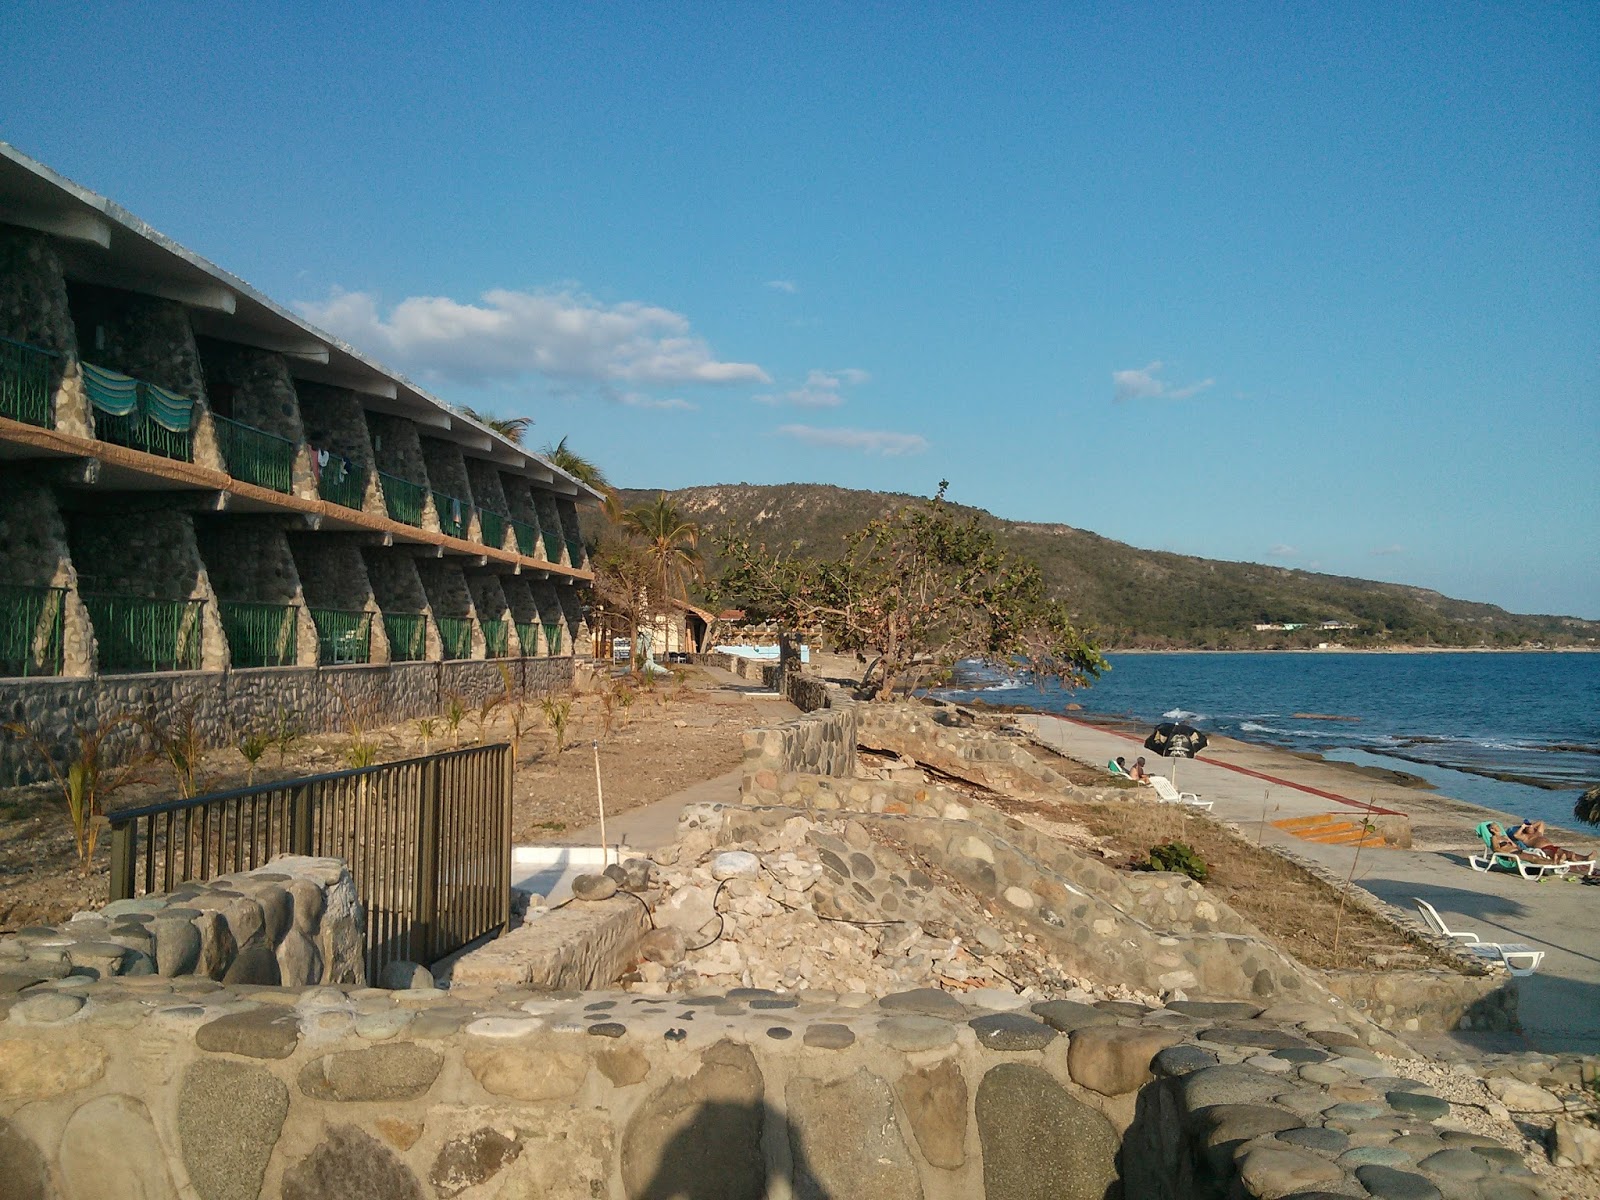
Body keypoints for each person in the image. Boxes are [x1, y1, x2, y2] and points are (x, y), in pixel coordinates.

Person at [1510, 820, 1595, 876]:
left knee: (1568, 852)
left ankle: (1585, 857)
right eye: (1528, 827)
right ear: (1525, 829)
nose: (1530, 828)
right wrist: (1523, 826)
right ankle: (1562, 860)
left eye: (1531, 826)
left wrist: (1531, 825)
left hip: (1552, 847)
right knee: (1555, 854)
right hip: (1543, 850)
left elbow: (1541, 823)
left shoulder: (1538, 833)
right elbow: (1515, 835)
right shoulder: (1525, 837)